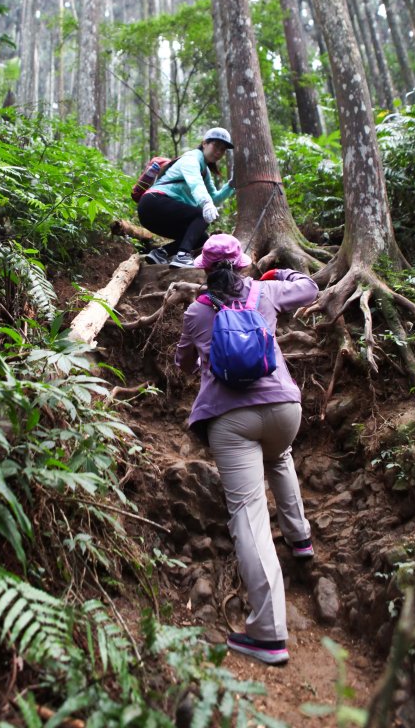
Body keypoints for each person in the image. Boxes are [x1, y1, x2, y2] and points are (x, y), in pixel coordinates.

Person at [175, 233, 318, 666]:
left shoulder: (197, 311)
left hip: (231, 422)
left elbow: (182, 362)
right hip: (284, 410)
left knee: (248, 513)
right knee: (280, 457)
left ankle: (270, 633)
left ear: (203, 268)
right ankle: (301, 539)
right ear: (242, 264)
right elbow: (311, 288)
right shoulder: (267, 291)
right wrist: (279, 272)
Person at [138, 127, 234, 268]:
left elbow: (214, 198)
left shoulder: (205, 170)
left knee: (201, 238)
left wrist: (231, 185)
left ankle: (161, 253)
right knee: (201, 215)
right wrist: (206, 203)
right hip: (154, 203)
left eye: (223, 149)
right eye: (216, 146)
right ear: (204, 143)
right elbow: (195, 183)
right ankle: (182, 256)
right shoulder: (191, 158)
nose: (219, 152)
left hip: (157, 214)